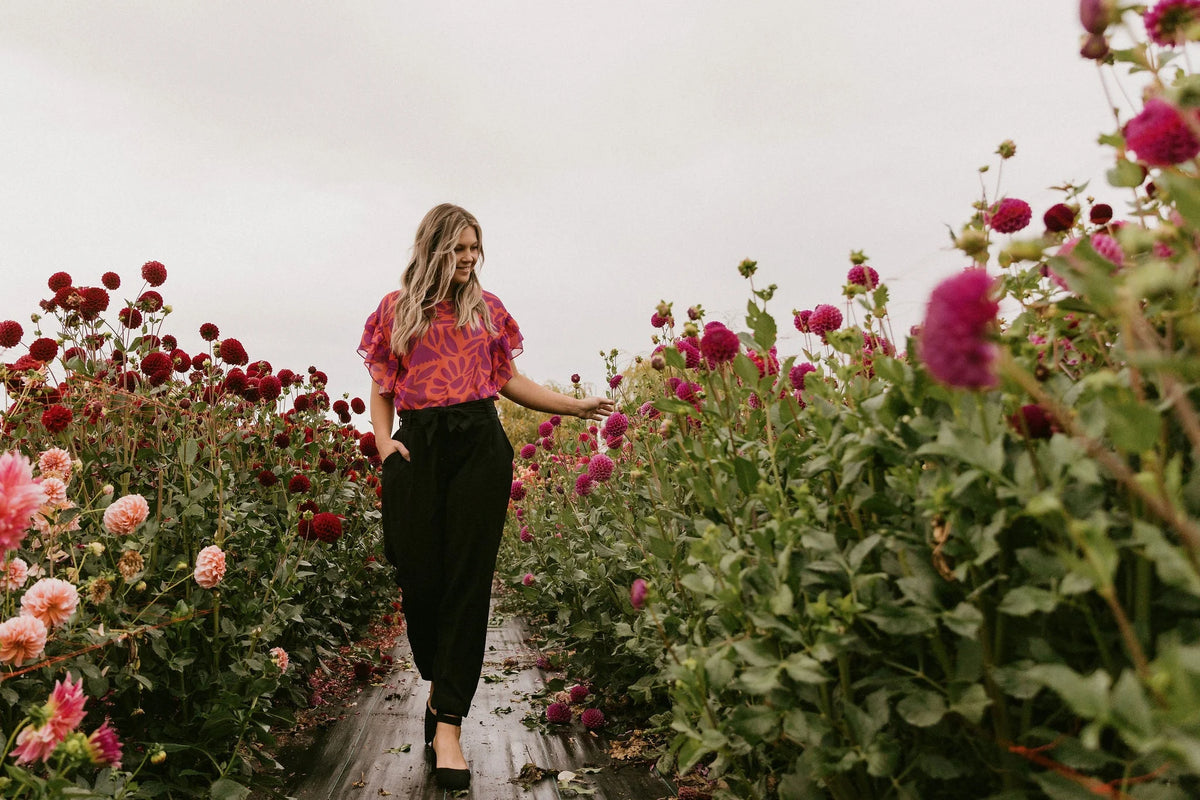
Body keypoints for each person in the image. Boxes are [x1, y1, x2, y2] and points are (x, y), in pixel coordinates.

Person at [357, 203, 614, 790]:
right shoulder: (394, 311)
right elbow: (381, 388)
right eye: (459, 249)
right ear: (433, 249)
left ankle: (449, 722)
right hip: (418, 447)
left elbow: (509, 382)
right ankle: (438, 681)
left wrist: (573, 405)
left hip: (479, 447)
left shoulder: (488, 310)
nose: (470, 259)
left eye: (476, 249)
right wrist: (380, 442)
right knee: (419, 578)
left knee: (468, 581)